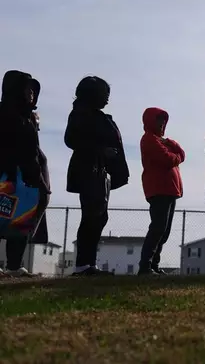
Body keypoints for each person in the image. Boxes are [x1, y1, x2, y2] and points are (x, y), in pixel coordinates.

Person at [64, 76, 129, 276]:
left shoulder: (96, 116)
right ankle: (83, 264)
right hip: (88, 171)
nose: (107, 99)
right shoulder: (80, 114)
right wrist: (101, 151)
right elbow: (71, 139)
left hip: (101, 172)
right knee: (91, 216)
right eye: (104, 94)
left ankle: (89, 263)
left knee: (99, 216)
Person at [0, 70, 50, 278]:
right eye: (27, 89)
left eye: (33, 90)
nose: (31, 93)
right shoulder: (4, 112)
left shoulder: (29, 117)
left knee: (21, 221)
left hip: (28, 178)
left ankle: (14, 265)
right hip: (6, 175)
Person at [138, 107, 185, 275]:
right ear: (150, 121)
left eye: (164, 120)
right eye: (159, 120)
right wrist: (176, 156)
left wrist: (171, 143)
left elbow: (181, 154)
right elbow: (169, 159)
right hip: (159, 189)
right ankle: (145, 265)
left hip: (170, 190)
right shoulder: (149, 139)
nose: (162, 124)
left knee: (164, 230)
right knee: (158, 227)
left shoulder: (161, 141)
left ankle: (154, 265)